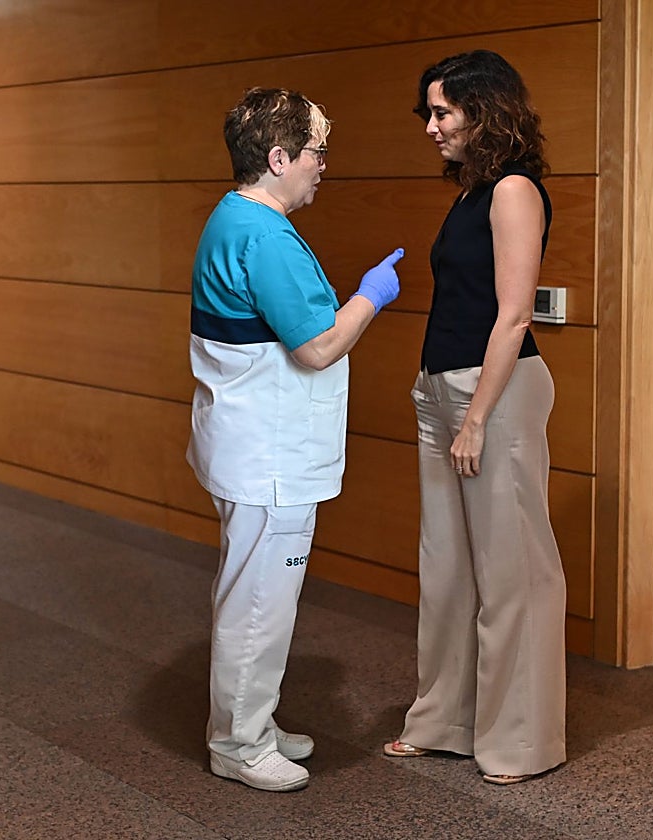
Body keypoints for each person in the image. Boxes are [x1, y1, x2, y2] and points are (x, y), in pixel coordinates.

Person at [188, 87, 403, 793]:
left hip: (249, 444)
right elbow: (317, 347)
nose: (322, 166)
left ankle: (252, 720)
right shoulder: (266, 237)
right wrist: (370, 296)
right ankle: (240, 744)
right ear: (279, 158)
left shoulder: (233, 218)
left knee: (251, 596)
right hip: (269, 456)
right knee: (258, 604)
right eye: (317, 152)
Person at [381, 50, 567, 785]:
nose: (431, 127)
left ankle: (520, 742)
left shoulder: (514, 190)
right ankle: (444, 722)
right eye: (428, 113)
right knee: (448, 570)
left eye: (442, 112)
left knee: (513, 571)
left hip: (495, 396)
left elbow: (514, 315)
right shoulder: (470, 193)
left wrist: (477, 417)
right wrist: (435, 394)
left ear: (485, 111)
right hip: (442, 389)